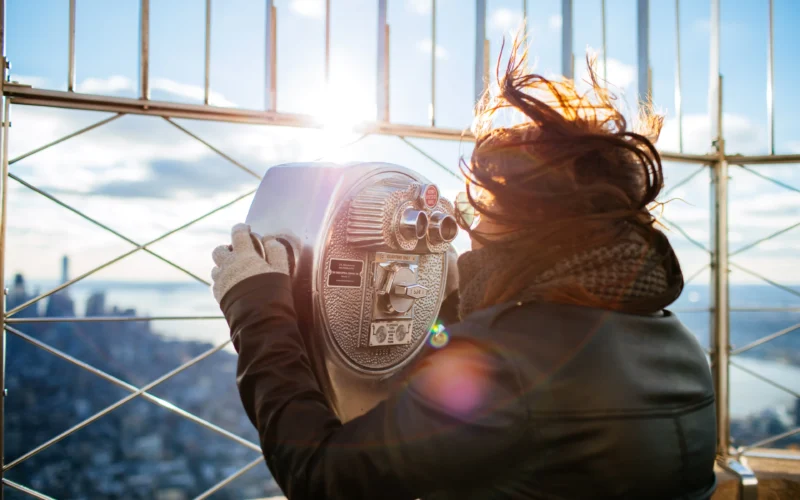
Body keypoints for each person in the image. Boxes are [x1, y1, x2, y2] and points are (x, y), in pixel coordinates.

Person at [210, 38, 717, 500]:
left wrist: (256, 308)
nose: (469, 230)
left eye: (483, 211)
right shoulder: (678, 348)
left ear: (527, 225)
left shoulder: (509, 365)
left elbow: (322, 476)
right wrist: (451, 304)